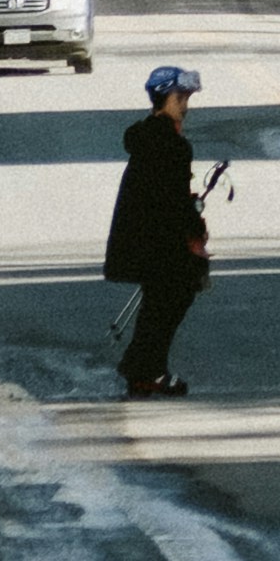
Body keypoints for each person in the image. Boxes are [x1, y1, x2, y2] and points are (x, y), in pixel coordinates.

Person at [107, 64, 211, 397]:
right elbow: (172, 199)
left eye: (187, 97)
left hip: (145, 239)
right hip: (159, 243)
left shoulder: (148, 136)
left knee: (160, 306)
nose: (185, 104)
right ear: (163, 98)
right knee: (167, 305)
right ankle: (145, 369)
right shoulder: (169, 144)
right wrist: (194, 228)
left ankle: (143, 369)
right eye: (180, 97)